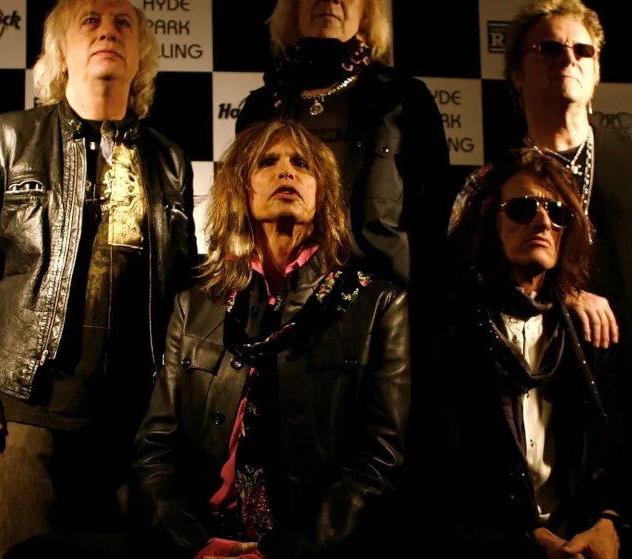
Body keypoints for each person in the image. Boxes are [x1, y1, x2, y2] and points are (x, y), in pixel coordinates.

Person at [448, 0, 632, 525]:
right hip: (536, 410)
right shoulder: (488, 183)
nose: (568, 58)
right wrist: (561, 293)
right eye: (549, 48)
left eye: (582, 50)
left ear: (598, 69)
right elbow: (458, 285)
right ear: (516, 72)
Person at [0, 1, 197, 557]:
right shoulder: (7, 137)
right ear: (60, 50)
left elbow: (182, 292)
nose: (108, 33)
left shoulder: (169, 159)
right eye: (90, 21)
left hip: (136, 419)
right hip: (27, 409)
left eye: (123, 23)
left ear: (142, 55)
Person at [440, 148, 632, 559]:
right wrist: (530, 542)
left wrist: (608, 523)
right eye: (522, 208)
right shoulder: (449, 329)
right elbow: (438, 479)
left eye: (556, 213)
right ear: (489, 221)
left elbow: (617, 453)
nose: (543, 221)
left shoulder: (585, 331)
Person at [127, 119, 410, 559]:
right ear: (239, 188)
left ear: (323, 192)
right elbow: (154, 448)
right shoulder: (195, 306)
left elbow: (380, 460)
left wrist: (281, 554)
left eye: (302, 164)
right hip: (203, 544)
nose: (286, 171)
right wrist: (193, 544)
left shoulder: (377, 304)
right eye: (267, 162)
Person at [234, 3, 452, 542]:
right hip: (283, 335)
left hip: (383, 339)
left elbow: (434, 231)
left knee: (379, 508)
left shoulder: (406, 99)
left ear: (368, 11)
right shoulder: (261, 105)